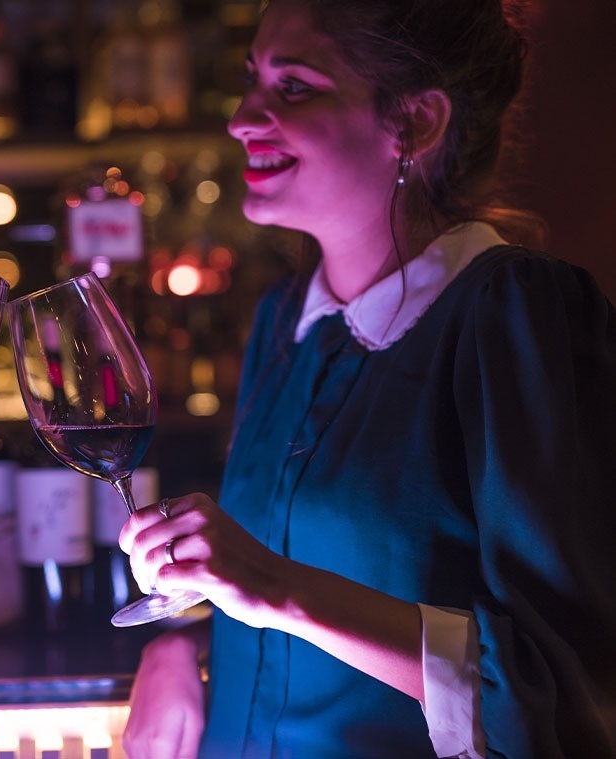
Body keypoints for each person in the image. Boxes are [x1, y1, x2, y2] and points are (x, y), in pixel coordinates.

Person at [118, 0, 616, 756]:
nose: (242, 117)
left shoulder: (514, 311)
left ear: (415, 122)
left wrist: (274, 585)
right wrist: (182, 644)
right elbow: (271, 596)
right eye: (252, 80)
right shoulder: (284, 319)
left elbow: (563, 689)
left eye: (294, 88)